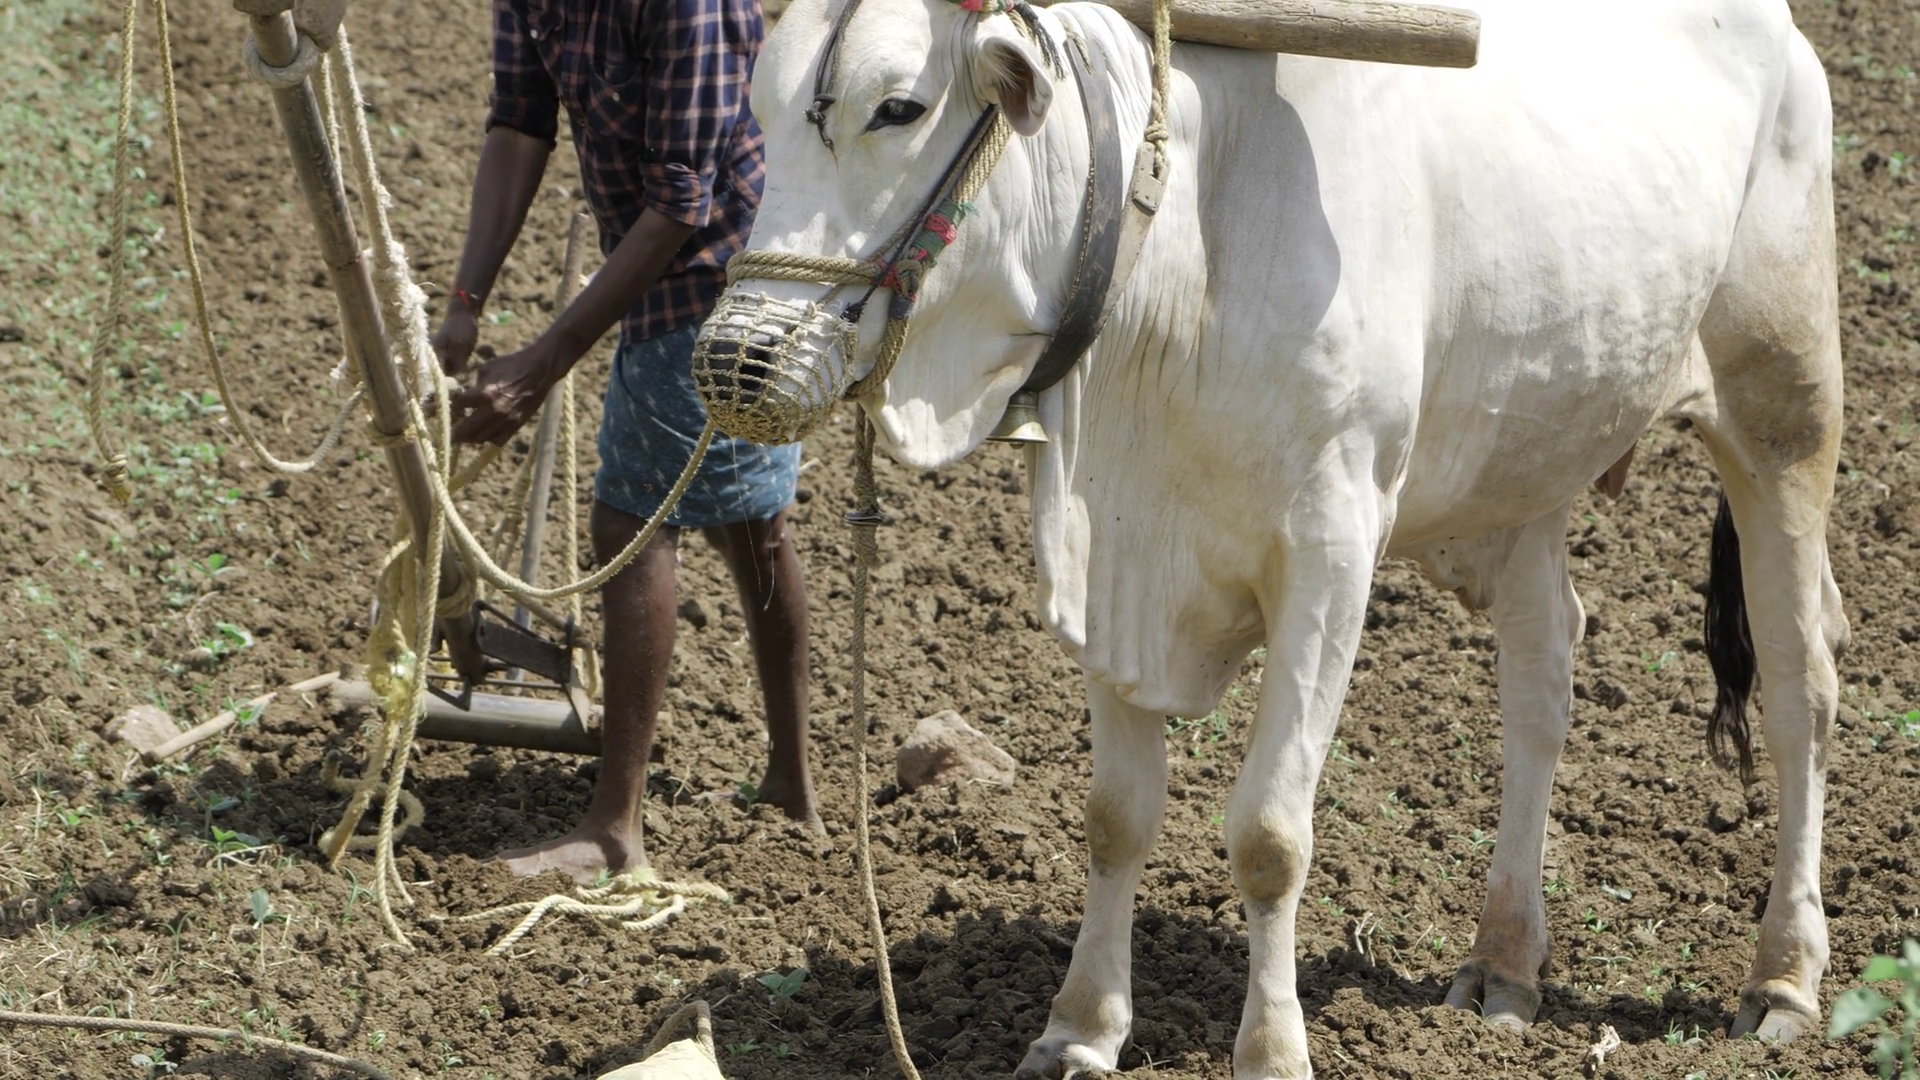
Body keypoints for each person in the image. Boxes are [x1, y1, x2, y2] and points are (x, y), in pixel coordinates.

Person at [434, 0, 816, 882]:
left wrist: (546, 361)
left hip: (729, 267)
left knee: (632, 524)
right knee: (749, 522)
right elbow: (518, 121)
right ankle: (791, 787)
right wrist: (464, 304)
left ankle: (614, 832)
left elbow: (681, 203)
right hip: (660, 259)